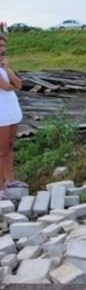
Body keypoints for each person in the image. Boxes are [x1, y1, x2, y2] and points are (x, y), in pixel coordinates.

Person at [0, 34, 26, 199]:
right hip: (0, 112)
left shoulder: (4, 66)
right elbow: (6, 86)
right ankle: (0, 188)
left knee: (9, 146)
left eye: (3, 46)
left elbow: (19, 85)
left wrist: (8, 68)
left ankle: (10, 179)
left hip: (11, 109)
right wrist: (11, 82)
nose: (2, 49)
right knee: (0, 150)